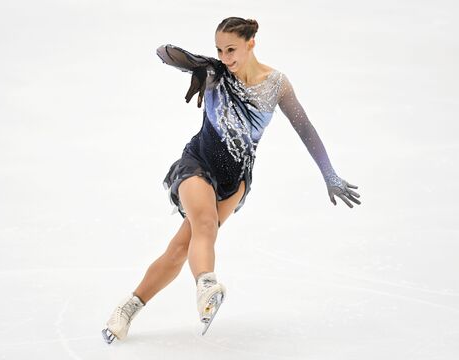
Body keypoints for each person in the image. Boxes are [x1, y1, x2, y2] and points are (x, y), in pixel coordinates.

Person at [102, 16, 361, 344]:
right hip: (198, 163)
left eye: (232, 49)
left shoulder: (277, 84)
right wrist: (195, 64)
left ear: (251, 42)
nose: (226, 57)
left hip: (235, 179)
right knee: (205, 225)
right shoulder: (214, 73)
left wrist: (329, 174)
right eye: (220, 50)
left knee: (181, 246)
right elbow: (165, 53)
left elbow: (305, 128)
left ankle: (127, 308)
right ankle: (207, 286)